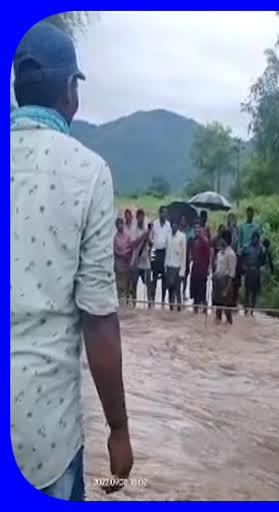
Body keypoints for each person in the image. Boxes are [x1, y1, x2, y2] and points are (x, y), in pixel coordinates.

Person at [11, 22, 132, 500]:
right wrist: (118, 429)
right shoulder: (88, 173)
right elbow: (98, 320)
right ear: (70, 90)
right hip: (44, 436)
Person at [149, 206, 172, 307]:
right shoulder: (155, 224)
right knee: (153, 277)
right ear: (159, 213)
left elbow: (170, 240)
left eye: (166, 213)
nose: (164, 215)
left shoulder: (168, 225)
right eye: (163, 213)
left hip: (165, 253)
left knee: (164, 278)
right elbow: (150, 237)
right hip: (156, 252)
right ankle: (152, 299)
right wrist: (152, 245)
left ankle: (163, 300)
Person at [212, 231, 237, 324]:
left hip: (226, 282)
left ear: (226, 240)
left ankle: (228, 329)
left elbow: (231, 273)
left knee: (227, 310)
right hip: (218, 282)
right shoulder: (219, 253)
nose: (219, 240)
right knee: (218, 310)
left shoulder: (231, 254)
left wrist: (227, 289)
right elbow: (217, 268)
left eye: (221, 238)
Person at [189, 221, 212, 314]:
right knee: (194, 289)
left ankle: (204, 307)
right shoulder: (193, 240)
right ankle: (195, 308)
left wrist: (208, 269)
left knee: (202, 290)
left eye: (198, 228)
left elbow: (208, 256)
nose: (196, 230)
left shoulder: (204, 241)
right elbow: (191, 254)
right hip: (195, 268)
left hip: (202, 269)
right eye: (195, 228)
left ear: (201, 230)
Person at [164, 219, 187, 312]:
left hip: (177, 267)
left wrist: (182, 271)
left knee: (178, 290)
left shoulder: (182, 236)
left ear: (178, 226)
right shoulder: (168, 236)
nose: (174, 226)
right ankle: (171, 309)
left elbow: (183, 255)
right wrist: (165, 267)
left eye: (175, 225)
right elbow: (167, 252)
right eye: (172, 225)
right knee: (170, 289)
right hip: (169, 266)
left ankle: (178, 309)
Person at [241, 232, 267, 314]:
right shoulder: (247, 247)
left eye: (256, 238)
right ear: (252, 238)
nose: (255, 240)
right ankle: (246, 308)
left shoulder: (260, 249)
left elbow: (263, 261)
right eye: (253, 238)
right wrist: (244, 267)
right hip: (248, 271)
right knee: (247, 291)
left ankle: (252, 309)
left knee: (254, 292)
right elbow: (242, 258)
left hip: (256, 271)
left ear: (258, 239)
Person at [129, 209, 151, 303]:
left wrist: (148, 237)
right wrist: (143, 236)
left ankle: (150, 303)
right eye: (139, 217)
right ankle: (134, 303)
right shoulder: (133, 230)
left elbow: (151, 244)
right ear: (137, 218)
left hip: (145, 260)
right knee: (134, 283)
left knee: (148, 283)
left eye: (142, 217)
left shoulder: (147, 229)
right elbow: (133, 244)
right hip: (136, 260)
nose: (141, 219)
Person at [113, 217, 133, 300]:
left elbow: (131, 247)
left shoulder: (128, 236)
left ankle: (126, 301)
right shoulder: (115, 237)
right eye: (118, 224)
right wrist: (122, 254)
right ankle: (119, 301)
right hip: (118, 265)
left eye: (121, 224)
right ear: (116, 226)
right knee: (119, 285)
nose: (120, 226)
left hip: (127, 264)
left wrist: (126, 253)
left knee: (126, 285)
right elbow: (115, 250)